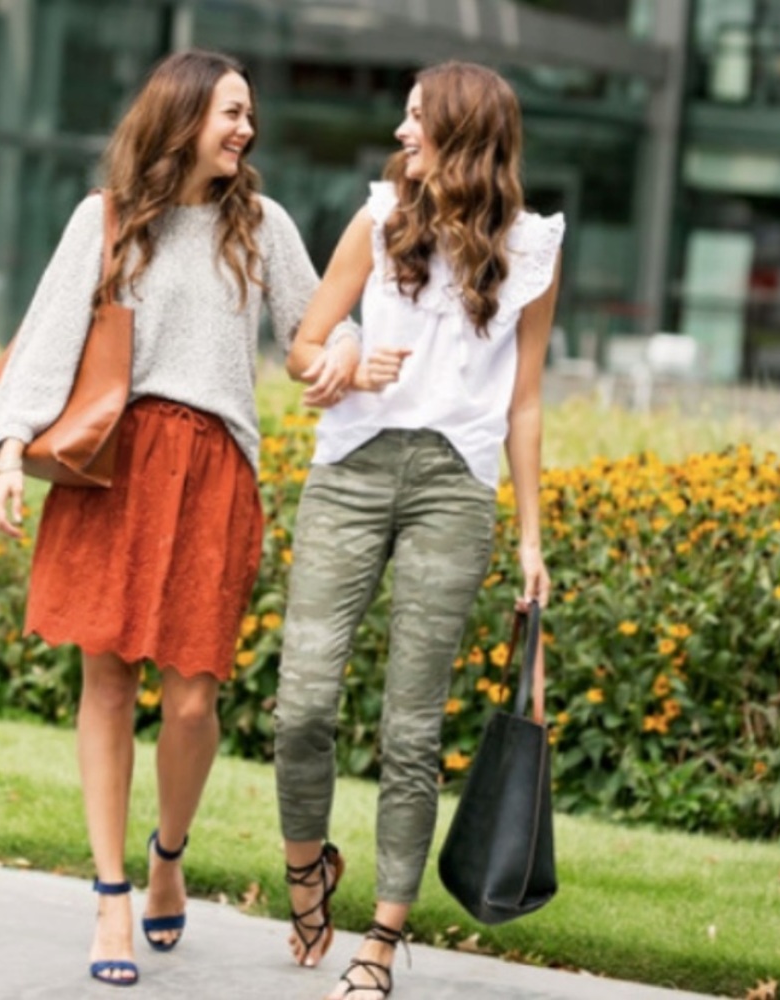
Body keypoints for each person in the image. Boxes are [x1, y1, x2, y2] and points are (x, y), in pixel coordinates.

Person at [0, 49, 355, 988]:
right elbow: (48, 336)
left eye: (249, 114)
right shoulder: (103, 220)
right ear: (184, 114)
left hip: (213, 473)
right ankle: (111, 897)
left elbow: (313, 328)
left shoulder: (261, 225)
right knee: (105, 683)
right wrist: (8, 451)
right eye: (231, 111)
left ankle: (167, 853)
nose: (246, 128)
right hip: (114, 469)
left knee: (194, 695)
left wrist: (348, 354)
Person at [273, 61, 564, 1000]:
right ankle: (308, 868)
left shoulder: (532, 252)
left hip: (454, 485)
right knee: (303, 707)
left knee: (410, 727)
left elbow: (523, 405)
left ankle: (381, 944)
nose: (402, 136)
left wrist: (530, 538)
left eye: (417, 121)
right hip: (352, 472)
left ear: (464, 137)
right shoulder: (376, 219)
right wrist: (349, 367)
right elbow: (304, 346)